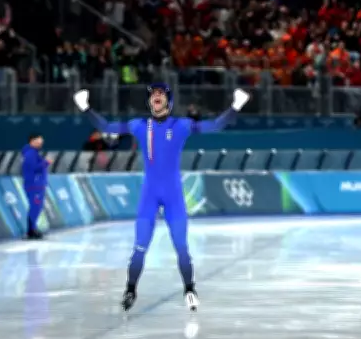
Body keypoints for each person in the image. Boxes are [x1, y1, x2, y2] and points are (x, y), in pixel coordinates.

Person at [73, 83, 250, 312]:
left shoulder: (181, 125)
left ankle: (189, 289)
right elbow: (106, 126)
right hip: (150, 196)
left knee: (181, 247)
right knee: (140, 247)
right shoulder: (139, 125)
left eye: (160, 94)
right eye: (153, 95)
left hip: (173, 196)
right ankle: (130, 289)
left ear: (169, 101)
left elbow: (215, 125)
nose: (156, 96)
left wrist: (235, 106)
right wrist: (85, 108)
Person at [21, 133, 50, 239]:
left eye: (41, 141)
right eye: (39, 140)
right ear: (32, 141)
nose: (41, 142)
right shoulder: (30, 154)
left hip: (37, 184)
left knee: (36, 207)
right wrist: (46, 162)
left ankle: (32, 229)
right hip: (34, 185)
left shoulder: (33, 153)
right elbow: (34, 168)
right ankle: (31, 231)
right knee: (35, 207)